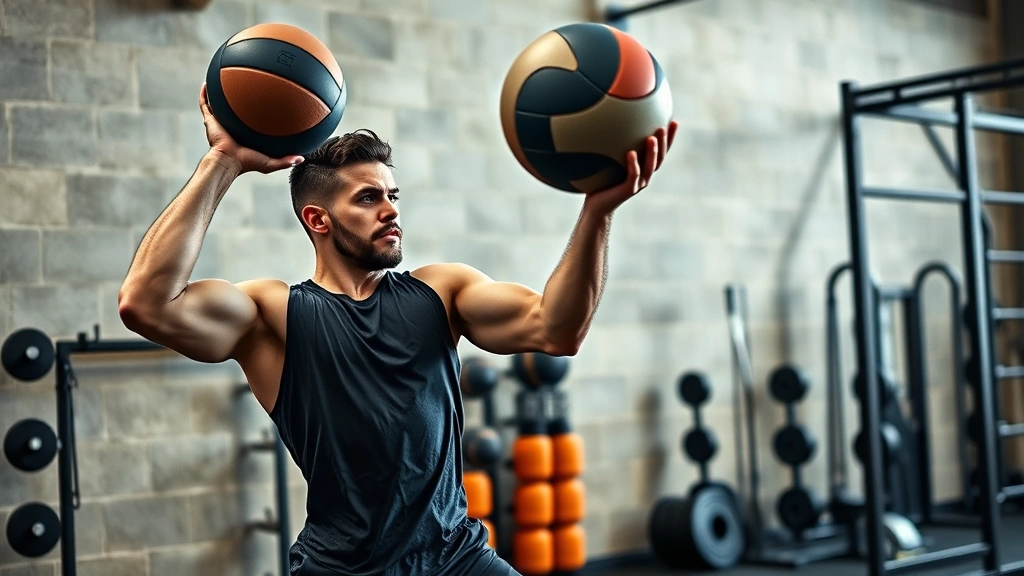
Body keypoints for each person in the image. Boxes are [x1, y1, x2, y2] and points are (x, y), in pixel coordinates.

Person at [118, 83, 677, 576]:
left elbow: (556, 329)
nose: (390, 209)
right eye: (368, 198)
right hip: (346, 567)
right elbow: (146, 304)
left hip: (458, 556)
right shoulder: (275, 314)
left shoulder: (442, 291)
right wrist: (223, 161)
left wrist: (598, 211)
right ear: (319, 219)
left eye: (393, 195)